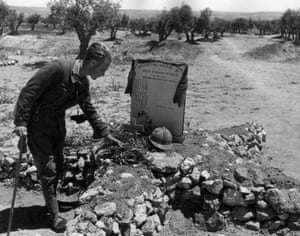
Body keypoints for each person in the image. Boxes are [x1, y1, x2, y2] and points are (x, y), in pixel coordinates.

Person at [13, 42, 123, 232]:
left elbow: (88, 108)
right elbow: (28, 92)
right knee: (48, 169)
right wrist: (21, 123)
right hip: (38, 127)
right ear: (94, 62)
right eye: (104, 68)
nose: (104, 73)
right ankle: (55, 216)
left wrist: (105, 132)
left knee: (59, 165)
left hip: (57, 125)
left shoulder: (82, 82)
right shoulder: (57, 69)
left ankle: (50, 205)